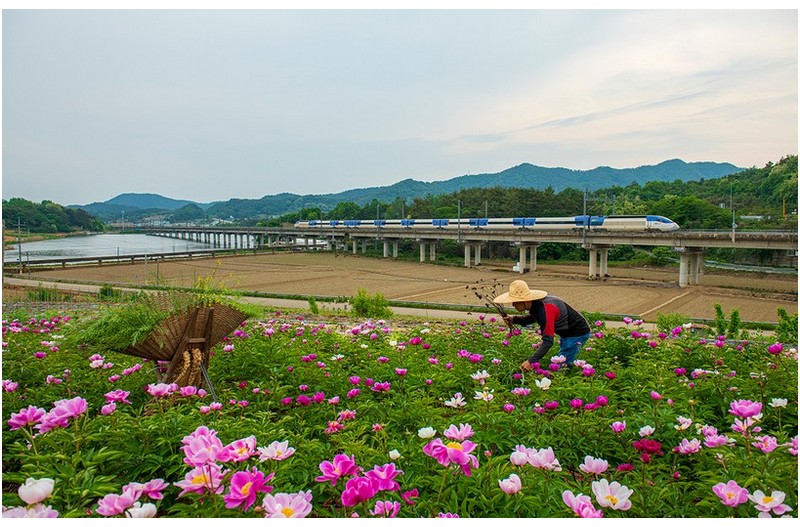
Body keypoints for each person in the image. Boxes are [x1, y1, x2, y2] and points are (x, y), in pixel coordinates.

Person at [493, 279, 591, 370]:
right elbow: (534, 317)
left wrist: (530, 361)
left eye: (515, 302)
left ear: (525, 300)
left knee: (560, 367)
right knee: (563, 360)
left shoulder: (546, 309)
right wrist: (515, 319)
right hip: (567, 333)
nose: (513, 305)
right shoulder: (537, 305)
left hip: (577, 333)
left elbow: (548, 341)